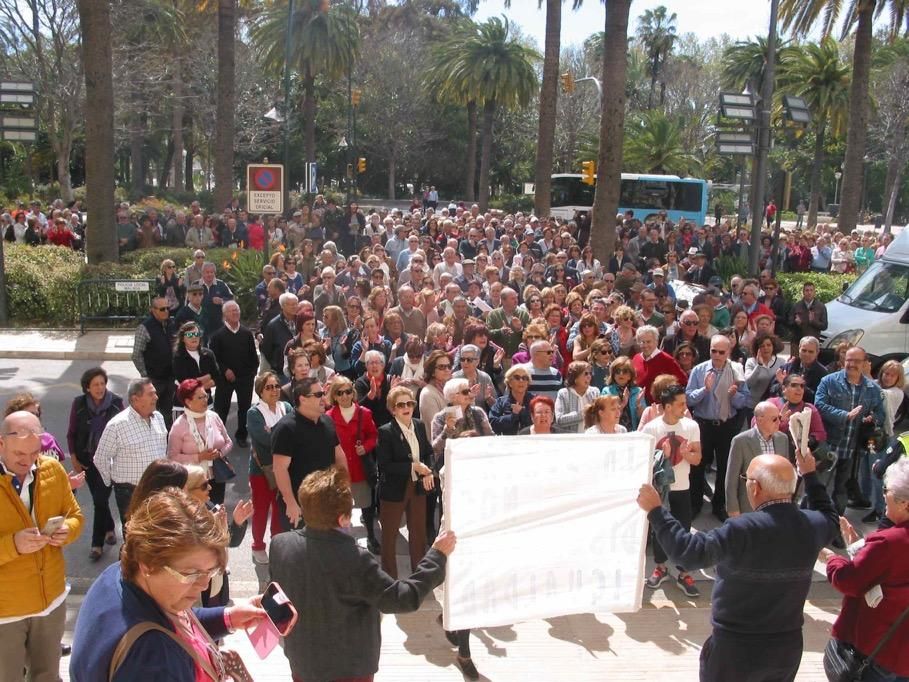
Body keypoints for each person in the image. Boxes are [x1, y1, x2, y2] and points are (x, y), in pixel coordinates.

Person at [637, 448, 837, 682]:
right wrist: (811, 474)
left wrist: (656, 512)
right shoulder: (813, 525)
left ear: (755, 487)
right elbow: (830, 515)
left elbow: (688, 553)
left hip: (735, 650)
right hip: (786, 648)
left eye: (745, 479)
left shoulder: (741, 529)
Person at [270, 467, 456, 682]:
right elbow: (403, 598)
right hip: (349, 669)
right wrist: (437, 556)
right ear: (342, 519)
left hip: (302, 663)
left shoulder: (279, 544)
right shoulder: (355, 559)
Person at [69, 489, 266, 681]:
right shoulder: (154, 663)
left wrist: (229, 617)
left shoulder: (119, 575)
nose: (204, 585)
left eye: (211, 571)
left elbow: (176, 621)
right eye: (191, 574)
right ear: (148, 564)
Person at [0, 410, 83, 682]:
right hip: (6, 611)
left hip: (51, 602)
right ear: (1, 444)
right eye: (18, 455)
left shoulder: (52, 469)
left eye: (34, 453)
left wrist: (66, 531)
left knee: (47, 676)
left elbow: (75, 516)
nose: (27, 462)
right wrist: (13, 545)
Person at [818, 457, 909, 682]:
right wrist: (859, 546)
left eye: (887, 490)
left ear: (905, 503)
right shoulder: (887, 542)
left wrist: (831, 559)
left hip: (879, 649)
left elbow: (849, 580)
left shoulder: (888, 542)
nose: (883, 494)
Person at [640, 384, 701, 597]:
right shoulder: (651, 429)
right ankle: (661, 567)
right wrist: (661, 456)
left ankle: (684, 572)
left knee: (683, 529)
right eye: (680, 404)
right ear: (667, 406)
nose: (685, 407)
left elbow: (698, 459)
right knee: (659, 530)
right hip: (660, 489)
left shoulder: (692, 426)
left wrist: (686, 454)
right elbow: (646, 463)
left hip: (683, 486)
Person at [685, 335, 750, 521]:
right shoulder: (699, 370)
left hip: (726, 425)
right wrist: (704, 390)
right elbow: (689, 399)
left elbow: (744, 401)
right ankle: (695, 503)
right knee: (697, 466)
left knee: (725, 468)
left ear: (728, 352)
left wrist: (733, 395)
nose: (717, 355)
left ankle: (719, 505)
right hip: (703, 425)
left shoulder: (736, 370)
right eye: (714, 350)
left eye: (722, 352)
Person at [816, 346, 886, 518]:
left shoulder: (872, 388)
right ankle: (812, 523)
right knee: (818, 486)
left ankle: (834, 524)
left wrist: (873, 418)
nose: (852, 364)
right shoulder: (829, 381)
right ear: (843, 361)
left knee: (841, 491)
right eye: (849, 360)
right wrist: (845, 416)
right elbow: (819, 405)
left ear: (865, 363)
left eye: (856, 361)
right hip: (829, 446)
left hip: (852, 450)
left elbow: (880, 414)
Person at [271, 377, 349, 531]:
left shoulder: (327, 421)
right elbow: (280, 469)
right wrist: (291, 503)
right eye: (318, 394)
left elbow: (339, 456)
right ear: (303, 399)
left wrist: (345, 490)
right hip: (300, 507)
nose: (324, 398)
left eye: (324, 393)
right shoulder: (286, 429)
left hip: (328, 502)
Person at [377, 386, 435, 579]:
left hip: (417, 488)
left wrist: (428, 473)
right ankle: (389, 579)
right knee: (389, 536)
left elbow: (428, 452)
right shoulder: (386, 432)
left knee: (418, 534)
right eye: (400, 404)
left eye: (409, 403)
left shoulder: (418, 425)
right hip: (394, 490)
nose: (406, 407)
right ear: (393, 409)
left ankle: (418, 578)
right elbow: (384, 465)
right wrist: (413, 467)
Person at [67, 367, 124, 561]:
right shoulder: (79, 404)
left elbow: (123, 432)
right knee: (100, 500)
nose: (100, 388)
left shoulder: (116, 403)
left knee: (100, 500)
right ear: (87, 388)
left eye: (102, 384)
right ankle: (109, 528)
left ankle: (96, 544)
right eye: (95, 385)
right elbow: (72, 433)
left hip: (109, 462)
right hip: (88, 462)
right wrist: (74, 458)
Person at [94, 378, 168, 527]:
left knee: (157, 536)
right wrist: (113, 481)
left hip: (158, 490)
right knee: (134, 536)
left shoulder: (158, 418)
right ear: (135, 398)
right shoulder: (117, 425)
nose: (156, 397)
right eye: (151, 394)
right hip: (130, 492)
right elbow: (100, 458)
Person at [327, 376, 381, 555]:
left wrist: (365, 448)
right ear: (334, 396)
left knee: (366, 506)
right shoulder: (329, 417)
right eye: (339, 393)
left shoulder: (364, 413)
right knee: (341, 509)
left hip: (360, 470)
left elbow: (373, 436)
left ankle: (371, 536)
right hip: (340, 473)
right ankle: (342, 540)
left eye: (348, 391)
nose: (344, 396)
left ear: (353, 392)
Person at [246, 371, 290, 564]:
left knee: (280, 508)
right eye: (269, 387)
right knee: (261, 509)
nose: (274, 391)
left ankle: (276, 543)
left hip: (285, 469)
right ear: (260, 391)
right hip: (261, 471)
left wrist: (273, 430)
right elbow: (264, 439)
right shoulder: (254, 413)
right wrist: (281, 433)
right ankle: (257, 545)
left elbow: (292, 432)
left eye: (276, 386)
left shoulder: (286, 407)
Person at [167, 379, 233, 506]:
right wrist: (199, 457)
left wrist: (219, 453)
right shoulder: (179, 426)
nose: (205, 400)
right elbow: (172, 457)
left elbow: (228, 442)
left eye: (206, 396)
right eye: (200, 397)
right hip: (193, 483)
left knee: (218, 512)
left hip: (217, 477)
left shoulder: (214, 417)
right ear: (188, 401)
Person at [725, 400, 791, 517]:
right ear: (759, 420)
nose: (779, 422)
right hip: (749, 507)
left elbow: (785, 474)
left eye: (779, 417)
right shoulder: (741, 441)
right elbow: (731, 479)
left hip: (776, 507)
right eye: (774, 419)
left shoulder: (783, 439)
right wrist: (733, 509)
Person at [209, 300, 258, 449]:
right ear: (224, 315)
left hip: (245, 378)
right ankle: (219, 437)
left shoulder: (246, 333)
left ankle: (242, 435)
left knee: (244, 408)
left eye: (237, 310)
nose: (235, 313)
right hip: (225, 379)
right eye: (231, 311)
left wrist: (252, 373)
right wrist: (225, 370)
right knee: (221, 409)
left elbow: (253, 356)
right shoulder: (218, 336)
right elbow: (214, 359)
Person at [131, 297, 176, 429]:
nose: (166, 311)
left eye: (168, 308)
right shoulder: (144, 328)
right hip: (154, 379)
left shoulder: (171, 324)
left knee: (168, 413)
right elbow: (136, 354)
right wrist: (145, 375)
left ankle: (167, 441)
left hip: (170, 378)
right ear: (153, 310)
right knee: (151, 412)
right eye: (162, 309)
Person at [430, 378, 494, 457]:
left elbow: (490, 437)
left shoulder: (478, 412)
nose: (469, 394)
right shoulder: (440, 417)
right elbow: (436, 448)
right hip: (452, 461)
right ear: (452, 396)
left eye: (469, 391)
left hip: (476, 457)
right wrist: (447, 430)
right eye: (465, 392)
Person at [633, 325, 687, 403]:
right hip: (638, 405)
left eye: (648, 341)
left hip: (659, 407)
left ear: (656, 341)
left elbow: (683, 381)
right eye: (642, 342)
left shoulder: (667, 360)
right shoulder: (636, 358)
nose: (645, 345)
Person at [172, 321, 220, 402]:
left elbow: (217, 377)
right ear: (183, 338)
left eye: (196, 334)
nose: (194, 337)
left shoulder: (208, 354)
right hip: (185, 404)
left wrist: (199, 385)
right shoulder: (178, 357)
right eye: (190, 335)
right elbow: (185, 383)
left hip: (206, 401)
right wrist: (207, 377)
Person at [260, 292, 299, 382]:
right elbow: (266, 349)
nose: (294, 307)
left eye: (295, 304)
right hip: (282, 372)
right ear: (282, 306)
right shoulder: (273, 325)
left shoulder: (301, 322)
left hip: (300, 369)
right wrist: (276, 363)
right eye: (291, 304)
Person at [602, 356, 646, 432]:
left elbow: (643, 418)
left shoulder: (638, 391)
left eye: (625, 371)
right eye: (617, 371)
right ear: (613, 374)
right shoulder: (607, 391)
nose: (621, 374)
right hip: (613, 432)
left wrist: (638, 404)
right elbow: (605, 416)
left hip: (633, 432)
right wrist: (622, 405)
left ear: (630, 376)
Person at [555, 361, 600, 433]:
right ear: (575, 378)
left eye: (590, 373)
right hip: (571, 440)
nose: (589, 376)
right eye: (585, 374)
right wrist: (584, 413)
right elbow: (560, 420)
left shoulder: (595, 392)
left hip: (592, 438)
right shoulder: (563, 394)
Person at [489, 365, 534, 435]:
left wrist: (522, 412)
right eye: (517, 377)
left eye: (524, 378)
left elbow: (539, 422)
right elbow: (493, 424)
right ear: (509, 383)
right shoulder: (500, 403)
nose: (521, 381)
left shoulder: (535, 402)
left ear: (528, 382)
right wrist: (513, 416)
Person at [789, 283, 828, 351]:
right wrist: (797, 323)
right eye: (807, 290)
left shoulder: (821, 306)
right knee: (797, 361)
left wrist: (813, 322)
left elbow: (824, 326)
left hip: (813, 343)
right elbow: (789, 323)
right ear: (803, 292)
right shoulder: (796, 306)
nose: (809, 292)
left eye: (811, 290)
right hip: (797, 342)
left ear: (814, 292)